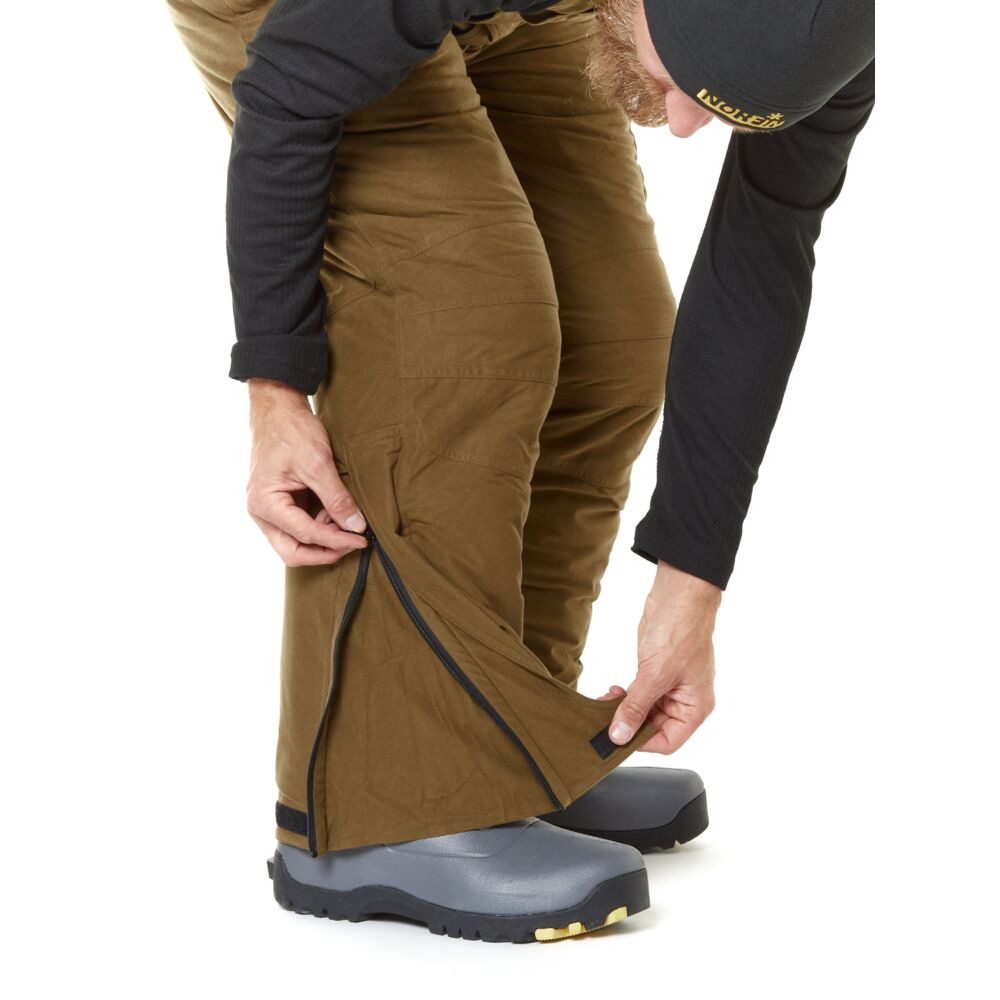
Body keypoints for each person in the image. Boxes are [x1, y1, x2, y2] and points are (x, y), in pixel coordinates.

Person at [166, 0, 875, 942]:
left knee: (615, 334)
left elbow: (760, 267)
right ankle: (388, 803)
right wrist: (274, 385)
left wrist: (692, 584)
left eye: (720, 109)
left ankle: (502, 744)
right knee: (460, 313)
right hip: (307, 14)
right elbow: (295, 78)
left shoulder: (828, 41)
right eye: (687, 85)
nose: (681, 124)